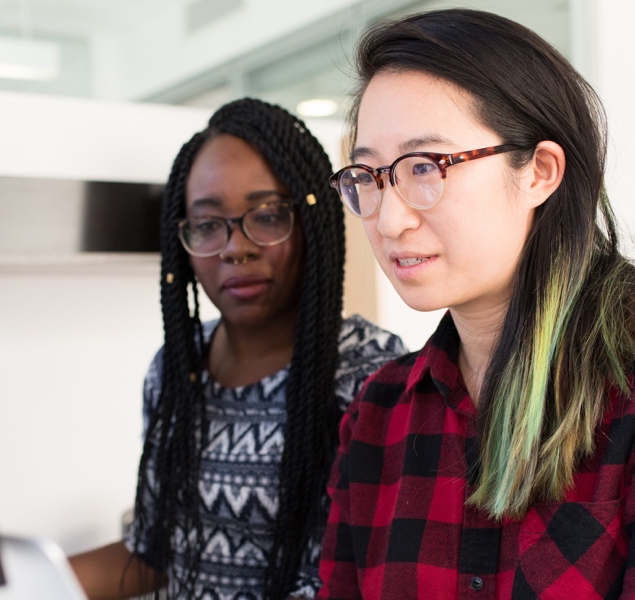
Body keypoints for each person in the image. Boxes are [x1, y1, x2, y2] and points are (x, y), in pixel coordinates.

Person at [318, 9, 635, 599]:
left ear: (540, 172)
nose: (390, 219)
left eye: (426, 167)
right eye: (369, 176)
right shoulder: (380, 411)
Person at [69, 98, 406, 599]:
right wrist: (7, 579)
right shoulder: (175, 370)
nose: (235, 247)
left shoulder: (370, 376)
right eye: (207, 225)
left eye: (267, 216)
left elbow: (373, 583)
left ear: (311, 222)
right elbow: (157, 557)